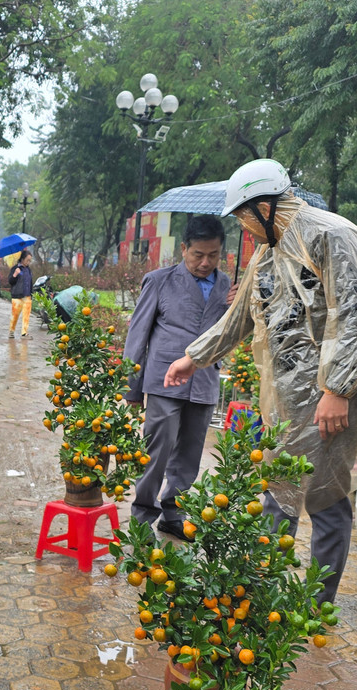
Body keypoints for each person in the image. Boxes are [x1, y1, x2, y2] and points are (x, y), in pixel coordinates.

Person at [165, 159, 357, 605]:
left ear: (265, 207)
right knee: (277, 492)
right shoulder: (268, 250)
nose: (243, 227)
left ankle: (316, 605)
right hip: (289, 398)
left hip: (334, 400)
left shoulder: (333, 236)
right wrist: (194, 358)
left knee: (326, 500)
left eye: (244, 217)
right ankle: (260, 593)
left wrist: (337, 389)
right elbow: (241, 317)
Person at [123, 215, 233, 539]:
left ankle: (174, 514)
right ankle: (141, 518)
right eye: (198, 254)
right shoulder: (159, 281)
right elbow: (137, 336)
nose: (205, 262)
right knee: (155, 453)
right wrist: (132, 388)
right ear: (183, 248)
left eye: (213, 255)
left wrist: (240, 305)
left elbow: (229, 333)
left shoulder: (227, 286)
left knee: (189, 457)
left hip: (204, 381)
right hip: (163, 381)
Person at [8, 249, 34, 338]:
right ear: (22, 259)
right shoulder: (15, 268)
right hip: (17, 296)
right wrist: (15, 274)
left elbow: (30, 282)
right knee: (15, 316)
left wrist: (31, 294)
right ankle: (11, 331)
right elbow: (10, 281)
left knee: (26, 316)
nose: (29, 262)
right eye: (27, 260)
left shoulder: (28, 270)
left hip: (27, 296)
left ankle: (24, 333)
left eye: (30, 260)